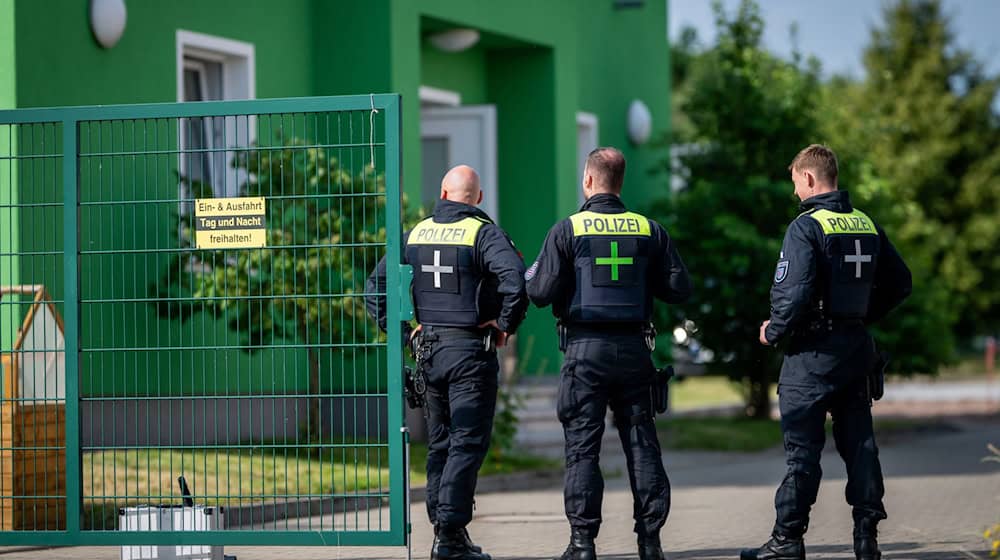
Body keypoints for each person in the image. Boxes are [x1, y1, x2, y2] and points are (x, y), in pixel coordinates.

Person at [741, 145, 912, 560]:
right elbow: (900, 282)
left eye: (796, 183)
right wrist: (858, 316)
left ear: (811, 179)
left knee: (803, 450)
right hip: (855, 351)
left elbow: (794, 292)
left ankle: (787, 539)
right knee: (860, 444)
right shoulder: (865, 223)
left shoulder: (807, 226)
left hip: (812, 356)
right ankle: (866, 538)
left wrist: (773, 331)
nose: (796, 192)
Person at [526, 147, 691, 560]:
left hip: (585, 352)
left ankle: (582, 544)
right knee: (641, 443)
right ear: (620, 182)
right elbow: (678, 288)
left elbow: (540, 293)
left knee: (583, 447)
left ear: (588, 180)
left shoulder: (567, 230)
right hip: (635, 351)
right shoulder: (649, 230)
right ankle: (650, 543)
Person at [365, 165, 528, 560]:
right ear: (479, 198)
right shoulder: (484, 233)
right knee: (467, 441)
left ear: (441, 192)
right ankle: (451, 538)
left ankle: (445, 531)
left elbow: (374, 289)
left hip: (430, 352)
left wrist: (405, 335)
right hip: (470, 352)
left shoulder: (415, 233)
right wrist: (505, 325)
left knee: (441, 442)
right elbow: (517, 280)